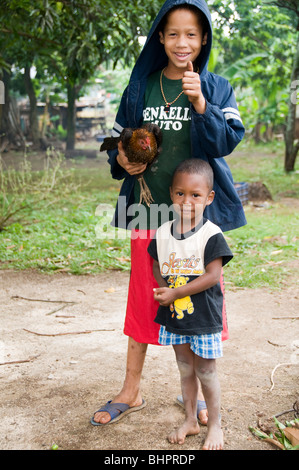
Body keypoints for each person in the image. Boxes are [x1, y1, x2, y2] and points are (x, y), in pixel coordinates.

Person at [91, 0, 246, 427]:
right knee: (143, 296)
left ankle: (193, 394)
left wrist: (201, 105)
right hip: (147, 210)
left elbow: (227, 140)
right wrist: (122, 162)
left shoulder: (217, 87)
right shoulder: (141, 88)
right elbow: (119, 141)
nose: (182, 42)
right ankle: (131, 390)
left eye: (192, 34)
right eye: (173, 33)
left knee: (198, 300)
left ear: (203, 40)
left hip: (195, 220)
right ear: (160, 37)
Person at [148, 159, 233, 450]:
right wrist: (163, 288)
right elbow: (158, 264)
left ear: (209, 197)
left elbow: (213, 276)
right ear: (171, 194)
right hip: (175, 316)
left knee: (206, 371)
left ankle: (216, 425)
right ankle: (190, 420)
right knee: (185, 369)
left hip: (204, 318)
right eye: (180, 193)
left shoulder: (211, 235)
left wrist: (177, 291)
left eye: (195, 195)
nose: (187, 201)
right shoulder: (161, 233)